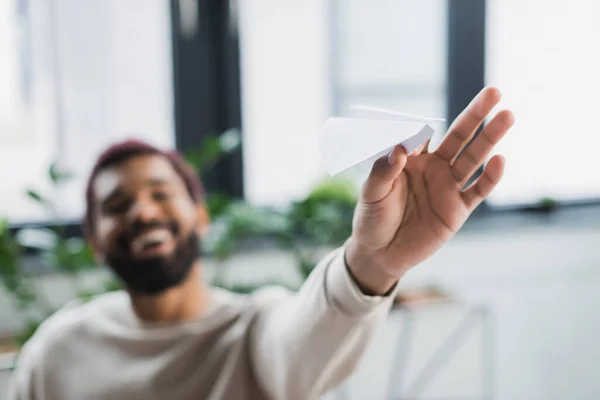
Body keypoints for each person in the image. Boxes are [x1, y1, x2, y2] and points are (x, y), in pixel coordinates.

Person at [6, 87, 514, 400]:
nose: (141, 211)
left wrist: (372, 264)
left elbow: (301, 343)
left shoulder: (252, 332)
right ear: (94, 240)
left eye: (161, 194)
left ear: (200, 217)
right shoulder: (56, 351)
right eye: (116, 207)